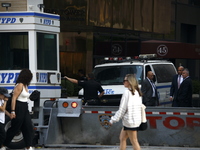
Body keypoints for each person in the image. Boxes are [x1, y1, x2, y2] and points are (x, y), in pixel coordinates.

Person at [109, 74, 142, 150]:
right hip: (134, 120)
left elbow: (122, 109)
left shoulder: (127, 93)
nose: (123, 82)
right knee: (122, 138)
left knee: (134, 141)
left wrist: (113, 119)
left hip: (130, 121)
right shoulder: (137, 92)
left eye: (125, 81)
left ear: (130, 82)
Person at [3, 69, 34, 150]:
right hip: (18, 106)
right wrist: (13, 111)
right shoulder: (19, 85)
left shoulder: (25, 85)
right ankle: (3, 145)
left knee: (28, 126)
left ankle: (28, 146)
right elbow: (14, 98)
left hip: (25, 107)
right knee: (15, 127)